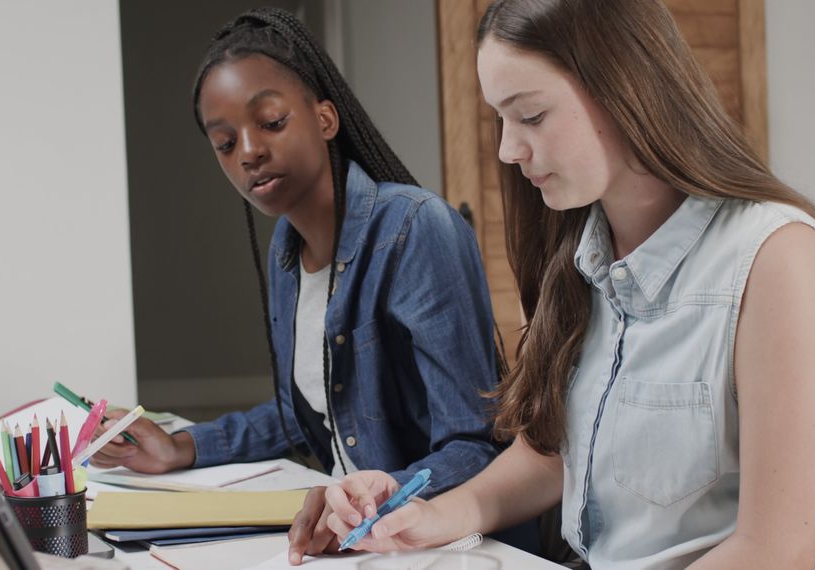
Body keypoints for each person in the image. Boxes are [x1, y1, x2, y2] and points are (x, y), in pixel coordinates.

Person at [322, 0, 815, 567]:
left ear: (626, 87)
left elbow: (775, 553)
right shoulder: (581, 257)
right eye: (501, 118)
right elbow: (556, 457)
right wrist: (427, 517)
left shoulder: (778, 260)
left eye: (531, 116)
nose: (507, 150)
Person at [89, 7, 504, 565]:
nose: (249, 152)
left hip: (443, 542)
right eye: (224, 142)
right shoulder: (286, 252)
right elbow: (302, 413)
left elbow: (475, 445)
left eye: (271, 122)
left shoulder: (415, 231)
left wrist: (359, 501)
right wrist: (179, 448)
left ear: (325, 117)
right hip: (361, 542)